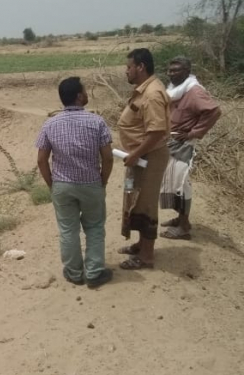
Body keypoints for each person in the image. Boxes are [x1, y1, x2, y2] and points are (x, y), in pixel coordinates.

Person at [36, 77, 114, 289]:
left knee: (67, 230)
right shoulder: (97, 122)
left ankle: (74, 273)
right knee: (95, 227)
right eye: (85, 91)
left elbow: (41, 160)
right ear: (79, 96)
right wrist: (103, 181)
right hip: (91, 184)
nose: (87, 94)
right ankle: (94, 272)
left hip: (62, 185)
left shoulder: (50, 124)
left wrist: (52, 184)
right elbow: (108, 157)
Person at [117, 48, 170, 270]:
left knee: (146, 204)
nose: (126, 71)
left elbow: (156, 132)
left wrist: (136, 154)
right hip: (140, 157)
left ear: (140, 67)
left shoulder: (152, 94)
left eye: (129, 67)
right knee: (136, 201)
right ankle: (141, 245)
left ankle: (147, 256)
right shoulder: (145, 90)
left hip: (149, 158)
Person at [159, 56, 221, 240]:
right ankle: (180, 219)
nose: (171, 73)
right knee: (174, 182)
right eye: (169, 70)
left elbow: (214, 111)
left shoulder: (194, 91)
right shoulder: (176, 90)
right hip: (173, 142)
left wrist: (193, 133)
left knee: (181, 184)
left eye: (176, 70)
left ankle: (184, 227)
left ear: (187, 71)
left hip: (183, 145)